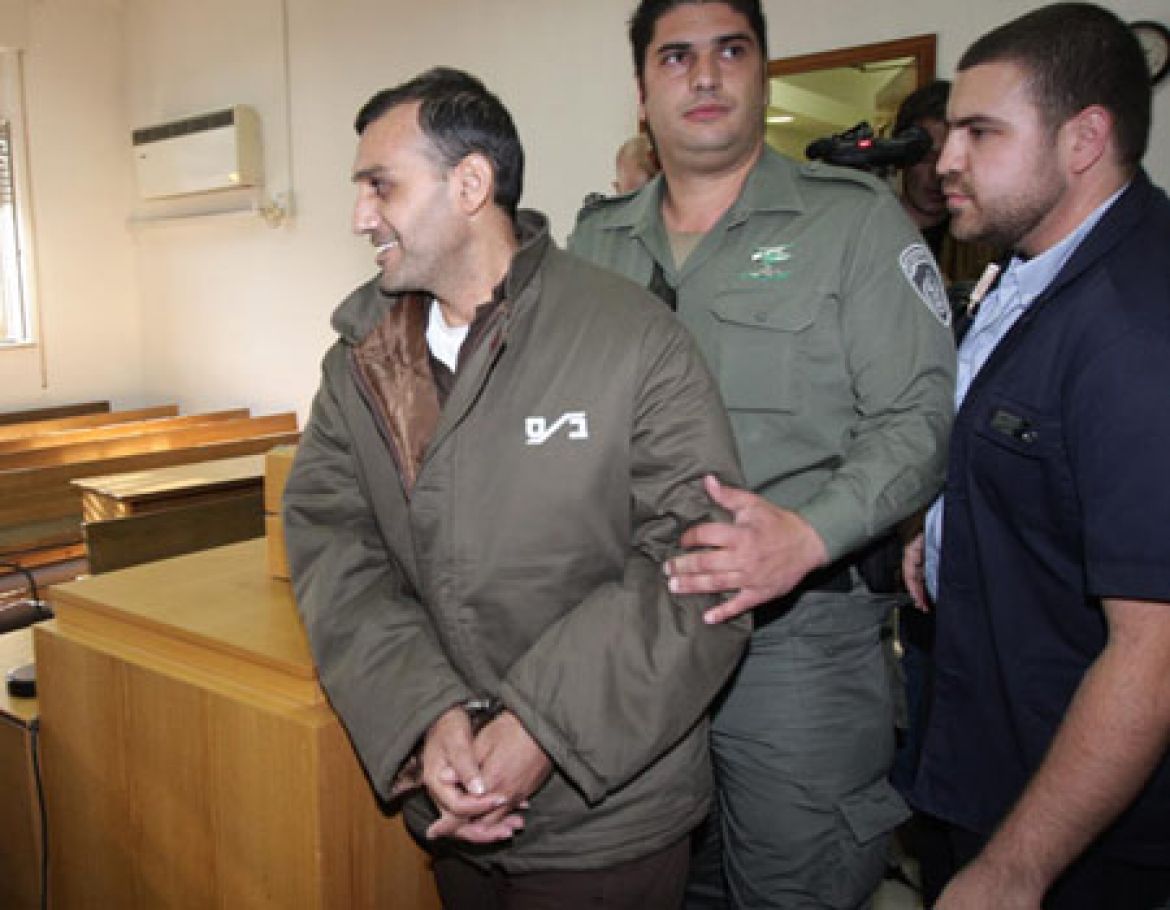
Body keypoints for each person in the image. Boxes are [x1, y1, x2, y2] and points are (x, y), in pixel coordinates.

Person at [282, 67, 750, 910]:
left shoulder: (632, 337)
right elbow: (335, 553)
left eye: (380, 185)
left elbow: (700, 568)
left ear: (470, 184)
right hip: (449, 797)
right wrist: (426, 715)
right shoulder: (360, 361)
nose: (360, 216)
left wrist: (542, 727)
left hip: (605, 817)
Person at [569, 1, 956, 906]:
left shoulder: (852, 222)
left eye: (730, 51)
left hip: (796, 647)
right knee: (663, 885)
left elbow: (920, 418)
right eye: (676, 58)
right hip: (636, 636)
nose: (705, 75)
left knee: (796, 888)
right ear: (641, 93)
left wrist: (807, 536)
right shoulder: (596, 242)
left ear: (763, 72)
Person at [901, 5, 1170, 908]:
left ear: (1084, 138)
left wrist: (1014, 870)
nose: (946, 159)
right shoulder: (1031, 262)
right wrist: (943, 516)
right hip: (983, 740)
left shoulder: (1137, 324)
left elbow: (1154, 653)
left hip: (1069, 818)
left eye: (981, 132)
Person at [893, 80, 997, 289]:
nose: (938, 173)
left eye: (949, 158)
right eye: (927, 158)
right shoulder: (873, 230)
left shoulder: (980, 243)